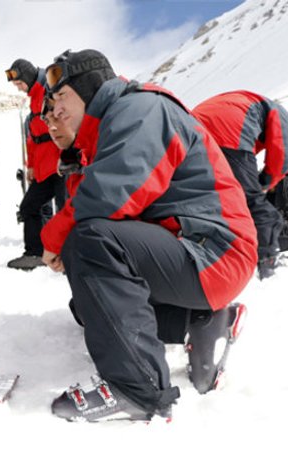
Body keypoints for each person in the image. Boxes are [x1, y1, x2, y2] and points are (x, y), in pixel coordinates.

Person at [40, 50, 257, 422]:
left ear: (89, 87)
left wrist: (54, 236)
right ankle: (198, 320)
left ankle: (138, 391)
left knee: (90, 240)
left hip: (215, 252)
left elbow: (112, 195)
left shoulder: (139, 109)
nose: (55, 112)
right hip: (196, 250)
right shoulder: (109, 129)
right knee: (90, 307)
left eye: (60, 99)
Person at [192, 90, 288, 279]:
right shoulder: (282, 118)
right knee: (250, 199)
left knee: (224, 198)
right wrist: (265, 183)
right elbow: (281, 159)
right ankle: (268, 256)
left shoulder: (249, 103)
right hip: (227, 130)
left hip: (195, 131)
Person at [5, 59, 66, 270]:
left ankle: (70, 256)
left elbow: (64, 123)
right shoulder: (34, 99)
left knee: (65, 209)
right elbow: (33, 137)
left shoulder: (50, 89)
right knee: (28, 207)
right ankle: (35, 253)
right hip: (45, 166)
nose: (19, 88)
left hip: (61, 163)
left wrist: (67, 156)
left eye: (19, 83)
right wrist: (31, 166)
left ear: (28, 77)